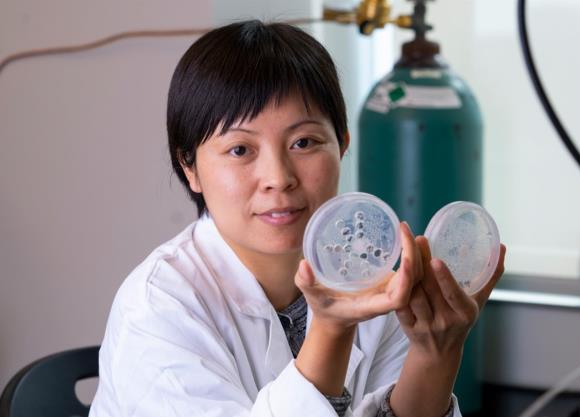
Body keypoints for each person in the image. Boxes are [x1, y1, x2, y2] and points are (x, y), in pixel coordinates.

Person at [89, 20, 506, 417]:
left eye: (304, 142)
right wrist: (331, 328)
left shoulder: (372, 279)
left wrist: (436, 353)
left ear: (342, 145)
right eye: (240, 150)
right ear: (189, 167)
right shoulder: (158, 307)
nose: (279, 178)